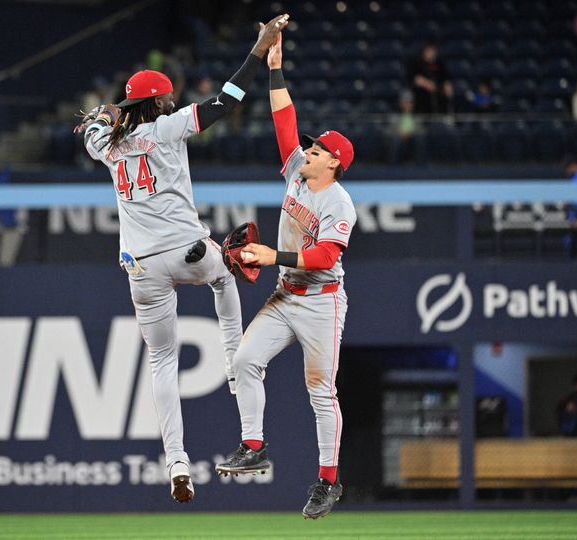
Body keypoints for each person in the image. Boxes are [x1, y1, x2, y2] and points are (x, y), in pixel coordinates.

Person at [75, 13, 288, 504]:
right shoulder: (167, 126)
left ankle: (176, 461)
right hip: (188, 251)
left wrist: (105, 115)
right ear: (157, 102)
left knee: (161, 360)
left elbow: (93, 128)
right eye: (166, 96)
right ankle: (235, 369)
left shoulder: (106, 145)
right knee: (226, 280)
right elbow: (228, 99)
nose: (171, 100)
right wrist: (259, 48)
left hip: (142, 268)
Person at [215, 31, 357, 520]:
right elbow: (284, 119)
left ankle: (327, 481)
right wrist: (276, 65)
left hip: (321, 301)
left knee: (320, 390)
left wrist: (271, 255)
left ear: (336, 164)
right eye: (312, 146)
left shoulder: (339, 203)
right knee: (245, 361)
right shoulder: (298, 171)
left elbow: (322, 257)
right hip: (285, 294)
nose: (309, 150)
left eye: (319, 150)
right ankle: (253, 445)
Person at [406, 43, 453, 114]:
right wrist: (425, 83)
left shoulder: (439, 64)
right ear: (424, 51)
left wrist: (447, 85)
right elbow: (414, 78)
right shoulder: (416, 63)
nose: (432, 53)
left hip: (438, 98)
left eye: (433, 51)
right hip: (422, 99)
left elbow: (446, 79)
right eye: (429, 51)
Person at [389, 90, 426, 165]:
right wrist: (400, 134)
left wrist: (411, 134)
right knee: (396, 141)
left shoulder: (417, 116)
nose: (408, 104)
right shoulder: (394, 116)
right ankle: (392, 167)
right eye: (405, 102)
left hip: (413, 139)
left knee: (419, 139)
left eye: (410, 102)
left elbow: (422, 131)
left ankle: (421, 167)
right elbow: (388, 132)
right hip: (399, 139)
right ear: (400, 103)